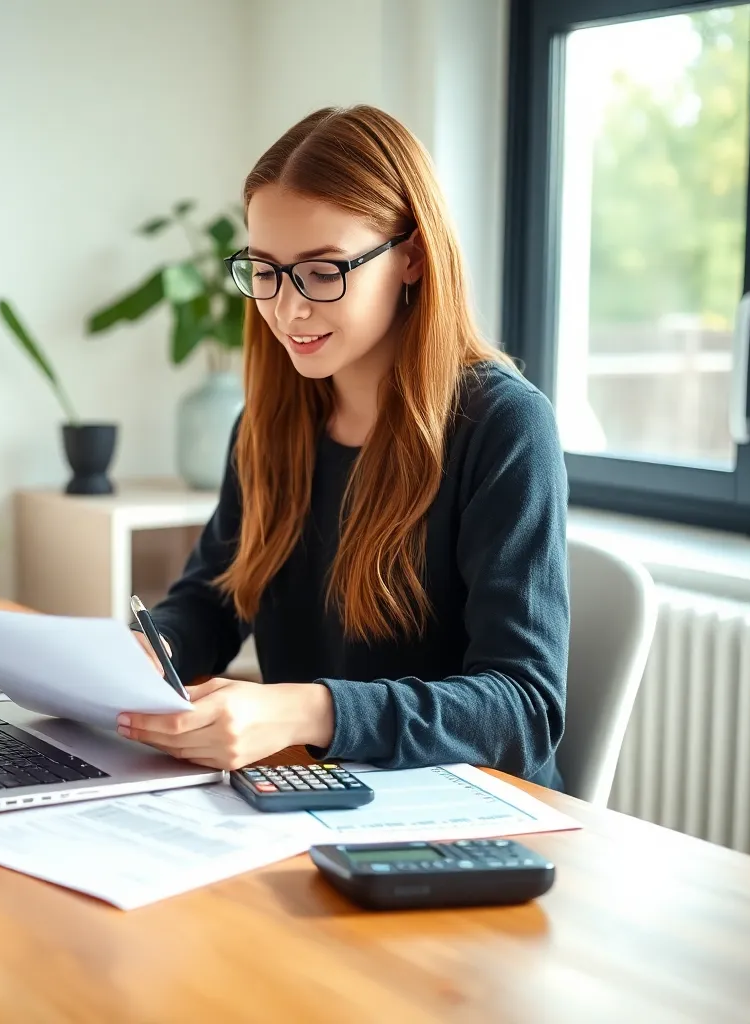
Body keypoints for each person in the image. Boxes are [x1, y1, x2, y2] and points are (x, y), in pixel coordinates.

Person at [118, 105, 569, 789]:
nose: (287, 308)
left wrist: (311, 711)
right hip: (318, 792)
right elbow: (216, 598)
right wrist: (153, 652)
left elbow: (523, 709)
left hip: (469, 815)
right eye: (264, 270)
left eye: (323, 272)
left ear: (412, 256)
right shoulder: (271, 424)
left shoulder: (503, 426)